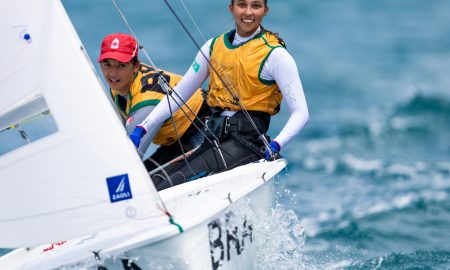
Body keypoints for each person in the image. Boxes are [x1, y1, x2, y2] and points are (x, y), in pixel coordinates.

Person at [130, 0, 309, 190]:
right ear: (231, 8)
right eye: (242, 5)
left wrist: (276, 145)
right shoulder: (213, 47)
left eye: (256, 6)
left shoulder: (275, 55)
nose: (248, 12)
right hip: (212, 140)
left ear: (265, 10)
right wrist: (143, 128)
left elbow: (301, 113)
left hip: (245, 145)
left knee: (166, 188)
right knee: (151, 184)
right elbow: (179, 94)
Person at [98, 33, 209, 172]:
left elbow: (131, 157)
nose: (112, 73)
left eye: (121, 65)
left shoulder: (145, 100)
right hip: (175, 140)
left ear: (135, 66)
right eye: (107, 64)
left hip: (202, 128)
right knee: (148, 179)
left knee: (152, 186)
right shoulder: (119, 83)